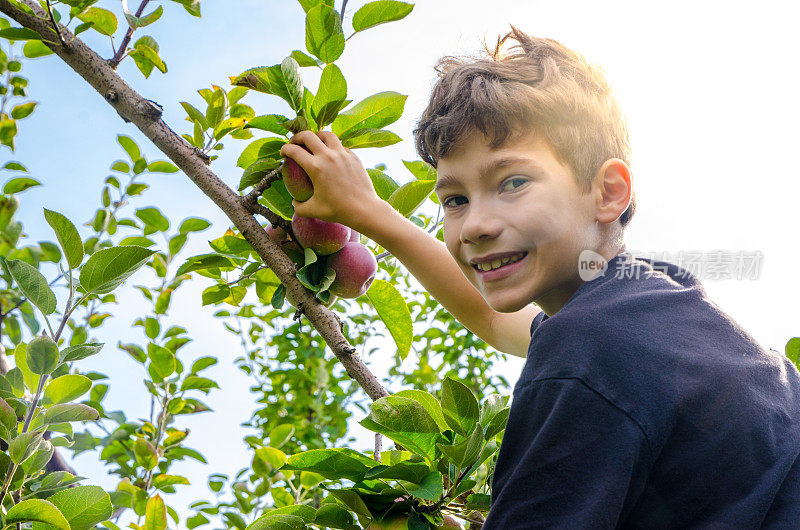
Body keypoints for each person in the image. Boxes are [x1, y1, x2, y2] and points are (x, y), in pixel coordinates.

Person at [279, 27, 800, 529]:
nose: (477, 225)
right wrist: (368, 212)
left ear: (608, 192)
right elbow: (493, 318)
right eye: (455, 199)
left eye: (513, 182)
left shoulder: (589, 350)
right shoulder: (652, 310)